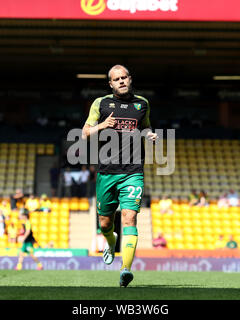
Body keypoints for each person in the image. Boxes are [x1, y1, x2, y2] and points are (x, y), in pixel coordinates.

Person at [81, 64, 157, 287]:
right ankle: (109, 241)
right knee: (105, 224)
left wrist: (149, 133)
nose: (122, 81)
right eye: (117, 79)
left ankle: (126, 269)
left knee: (130, 217)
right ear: (111, 84)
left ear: (130, 79)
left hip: (133, 172)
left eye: (125, 77)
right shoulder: (101, 103)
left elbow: (144, 127)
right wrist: (103, 125)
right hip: (106, 173)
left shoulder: (142, 104)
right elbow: (85, 133)